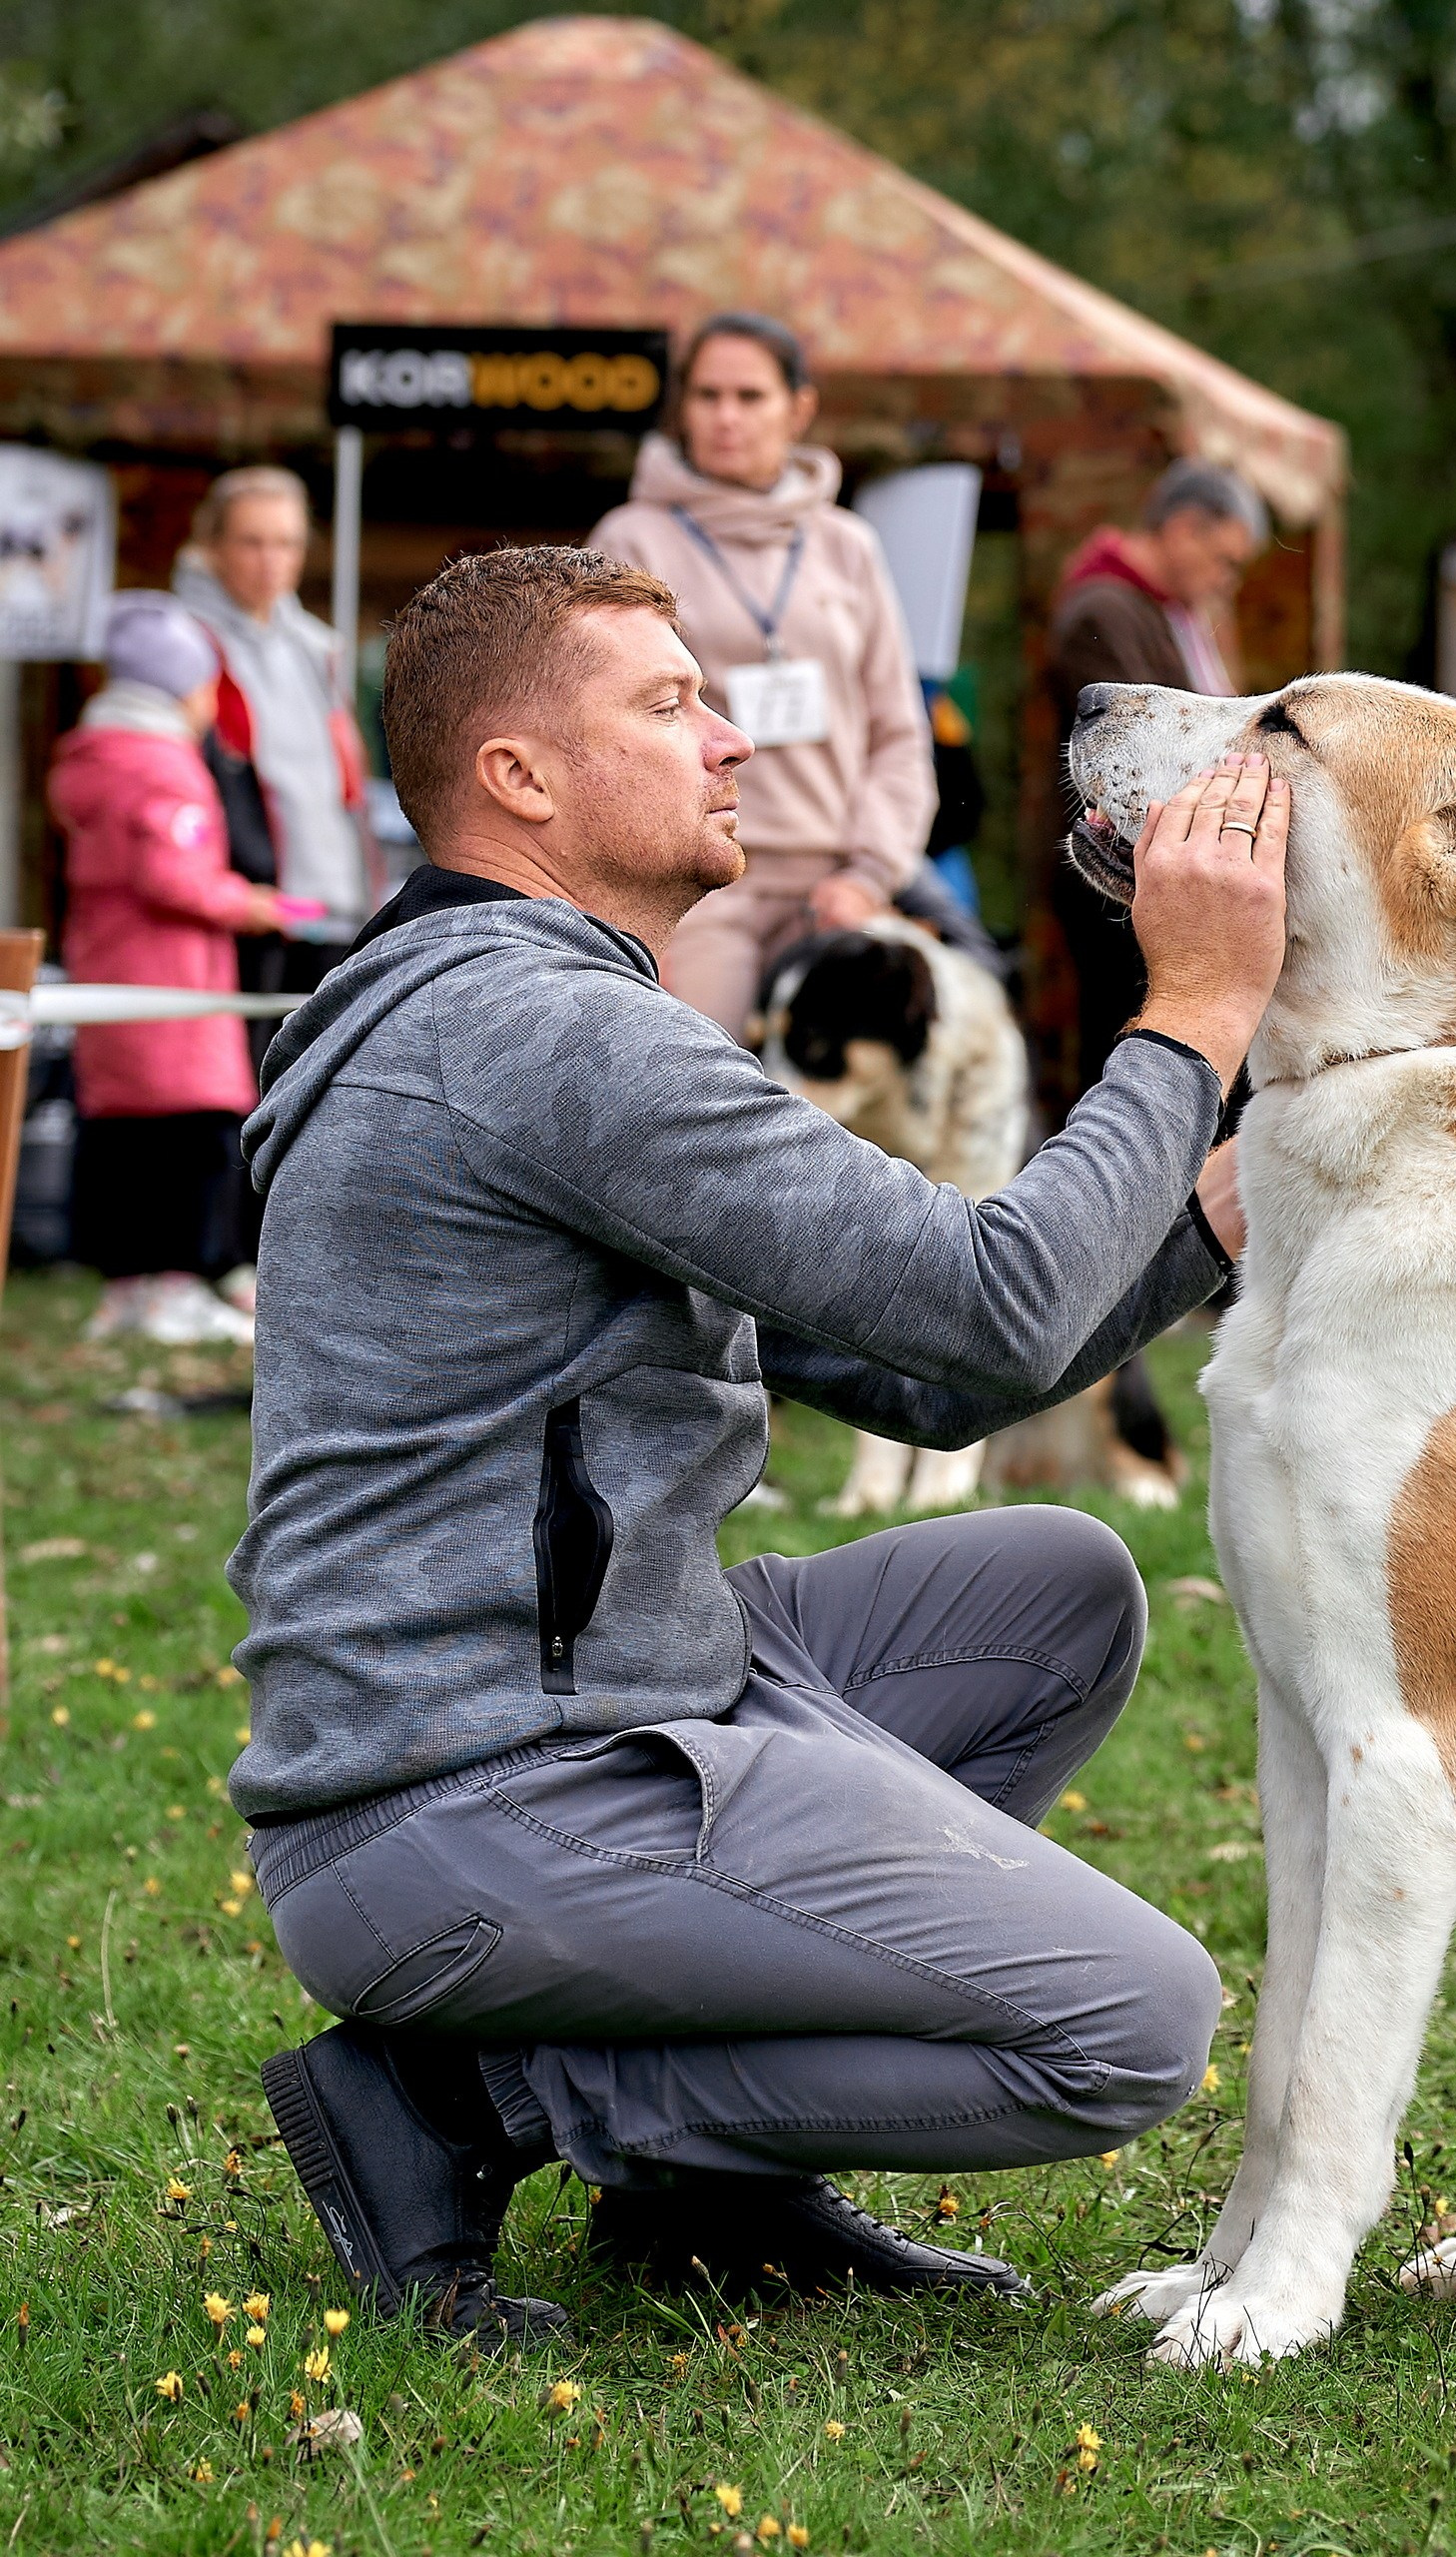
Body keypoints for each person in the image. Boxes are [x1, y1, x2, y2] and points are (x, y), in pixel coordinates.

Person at [233, 544, 1288, 2340]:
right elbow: (993, 1306)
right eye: (669, 705)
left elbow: (939, 1381)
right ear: (519, 778)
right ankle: (469, 2100)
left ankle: (709, 2196)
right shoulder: (541, 1034)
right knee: (1128, 2025)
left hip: (603, 1694)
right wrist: (1191, 1014)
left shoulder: (545, 1016)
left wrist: (1205, 1214)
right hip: (468, 1795)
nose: (732, 743)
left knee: (1056, 1592)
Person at [590, 313, 936, 1039]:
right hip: (692, 882)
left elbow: (899, 734)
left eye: (749, 396)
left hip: (834, 884)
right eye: (707, 395)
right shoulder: (630, 538)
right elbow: (601, 731)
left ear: (798, 409)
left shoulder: (847, 545)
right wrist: (637, 894)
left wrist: (868, 877)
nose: (726, 417)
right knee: (687, 1085)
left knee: (849, 1094)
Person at [51, 594, 310, 1346]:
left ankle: (127, 1288)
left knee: (122, 1133)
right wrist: (251, 902)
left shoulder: (91, 755)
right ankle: (176, 1285)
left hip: (110, 967)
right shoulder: (161, 763)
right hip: (174, 978)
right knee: (193, 1129)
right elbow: (174, 876)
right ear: (175, 687)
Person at [1046, 459, 1266, 1093]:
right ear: (1184, 528)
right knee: (1130, 1059)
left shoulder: (1164, 612)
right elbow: (1141, 759)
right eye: (1224, 561)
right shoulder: (1104, 610)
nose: (1226, 581)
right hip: (1117, 868)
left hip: (1150, 863)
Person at [175, 466, 373, 988]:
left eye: (287, 543)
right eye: (252, 542)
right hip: (246, 911)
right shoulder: (183, 644)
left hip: (331, 905)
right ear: (213, 546)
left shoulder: (316, 647)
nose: (271, 561)